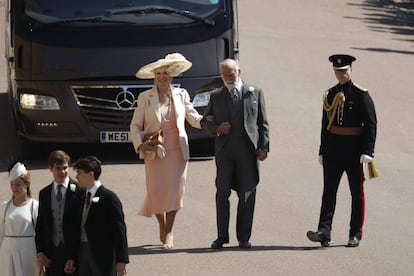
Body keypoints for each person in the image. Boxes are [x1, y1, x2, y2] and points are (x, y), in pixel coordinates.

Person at [130, 53, 203, 249]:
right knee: (156, 191)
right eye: (159, 73)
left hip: (178, 151)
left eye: (166, 73)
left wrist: (209, 122)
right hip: (154, 149)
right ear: (154, 76)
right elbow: (135, 125)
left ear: (172, 76)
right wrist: (140, 144)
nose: (162, 77)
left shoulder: (182, 94)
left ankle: (169, 231)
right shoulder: (145, 97)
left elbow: (193, 117)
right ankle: (161, 224)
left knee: (174, 191)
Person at [307, 54, 377, 247]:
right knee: (328, 192)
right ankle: (324, 231)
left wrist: (368, 151)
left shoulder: (361, 94)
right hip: (333, 151)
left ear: (351, 71)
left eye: (344, 70)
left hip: (355, 152)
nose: (341, 74)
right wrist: (322, 150)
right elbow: (325, 125)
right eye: (338, 71)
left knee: (356, 194)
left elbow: (371, 123)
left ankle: (355, 233)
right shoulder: (330, 94)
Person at [201, 59, 269, 249]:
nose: (229, 78)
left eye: (232, 74)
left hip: (247, 152)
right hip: (225, 152)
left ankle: (244, 237)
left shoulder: (255, 92)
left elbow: (263, 123)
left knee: (247, 194)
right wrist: (218, 128)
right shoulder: (216, 95)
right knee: (222, 192)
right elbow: (205, 122)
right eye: (225, 75)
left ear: (239, 71)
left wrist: (264, 147)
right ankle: (222, 236)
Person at [71, 156, 129, 276]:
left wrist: (121, 259)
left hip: (102, 256)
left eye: (79, 173)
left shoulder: (109, 198)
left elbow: (119, 230)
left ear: (90, 174)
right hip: (82, 254)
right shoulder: (80, 197)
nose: (76, 177)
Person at [35, 150, 84, 275]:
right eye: (58, 168)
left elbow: (81, 225)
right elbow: (41, 224)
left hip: (72, 252)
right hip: (52, 252)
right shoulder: (44, 193)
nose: (62, 172)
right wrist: (40, 252)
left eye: (65, 168)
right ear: (50, 169)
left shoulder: (79, 190)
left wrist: (74, 256)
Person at [0, 162, 40, 276]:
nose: (14, 188)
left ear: (27, 184)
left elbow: (39, 233)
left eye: (18, 184)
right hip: (7, 253)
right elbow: (1, 232)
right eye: (12, 184)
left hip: (28, 253)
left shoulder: (34, 206)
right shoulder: (4, 207)